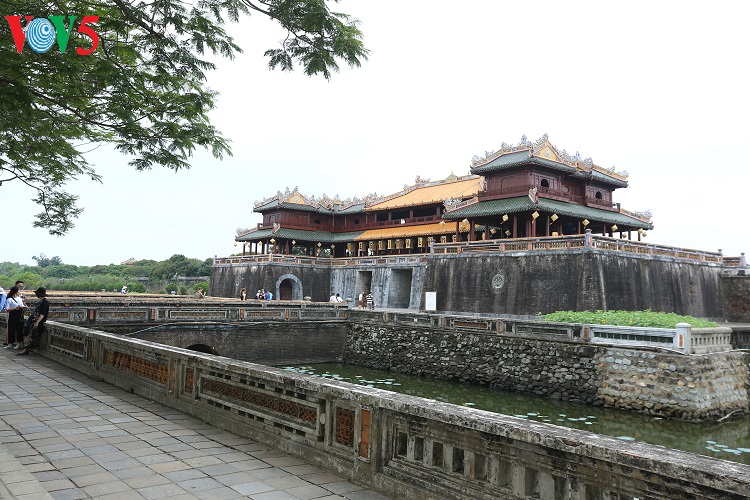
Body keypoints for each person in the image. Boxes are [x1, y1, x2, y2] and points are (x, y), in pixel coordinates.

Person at [18, 287, 49, 356]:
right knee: (26, 332)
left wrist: (37, 322)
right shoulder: (40, 301)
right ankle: (26, 348)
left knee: (31, 335)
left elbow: (42, 314)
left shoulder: (45, 302)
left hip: (37, 321)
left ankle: (26, 349)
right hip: (32, 320)